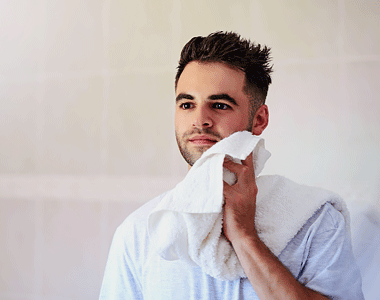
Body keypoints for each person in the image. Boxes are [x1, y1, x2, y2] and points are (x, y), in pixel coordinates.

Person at [99, 31, 364, 300]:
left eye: (220, 105)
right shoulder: (141, 232)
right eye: (187, 104)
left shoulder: (315, 222)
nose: (200, 120)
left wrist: (245, 238)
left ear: (259, 119)